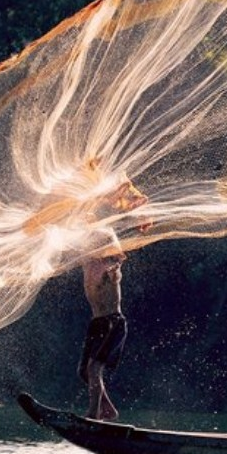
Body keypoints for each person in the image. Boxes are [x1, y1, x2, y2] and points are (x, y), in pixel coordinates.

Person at [77, 177, 150, 421]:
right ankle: (108, 409)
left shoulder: (109, 268)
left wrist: (113, 261)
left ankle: (94, 415)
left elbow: (116, 258)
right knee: (84, 372)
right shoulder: (88, 261)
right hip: (97, 322)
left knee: (94, 368)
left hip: (112, 322)